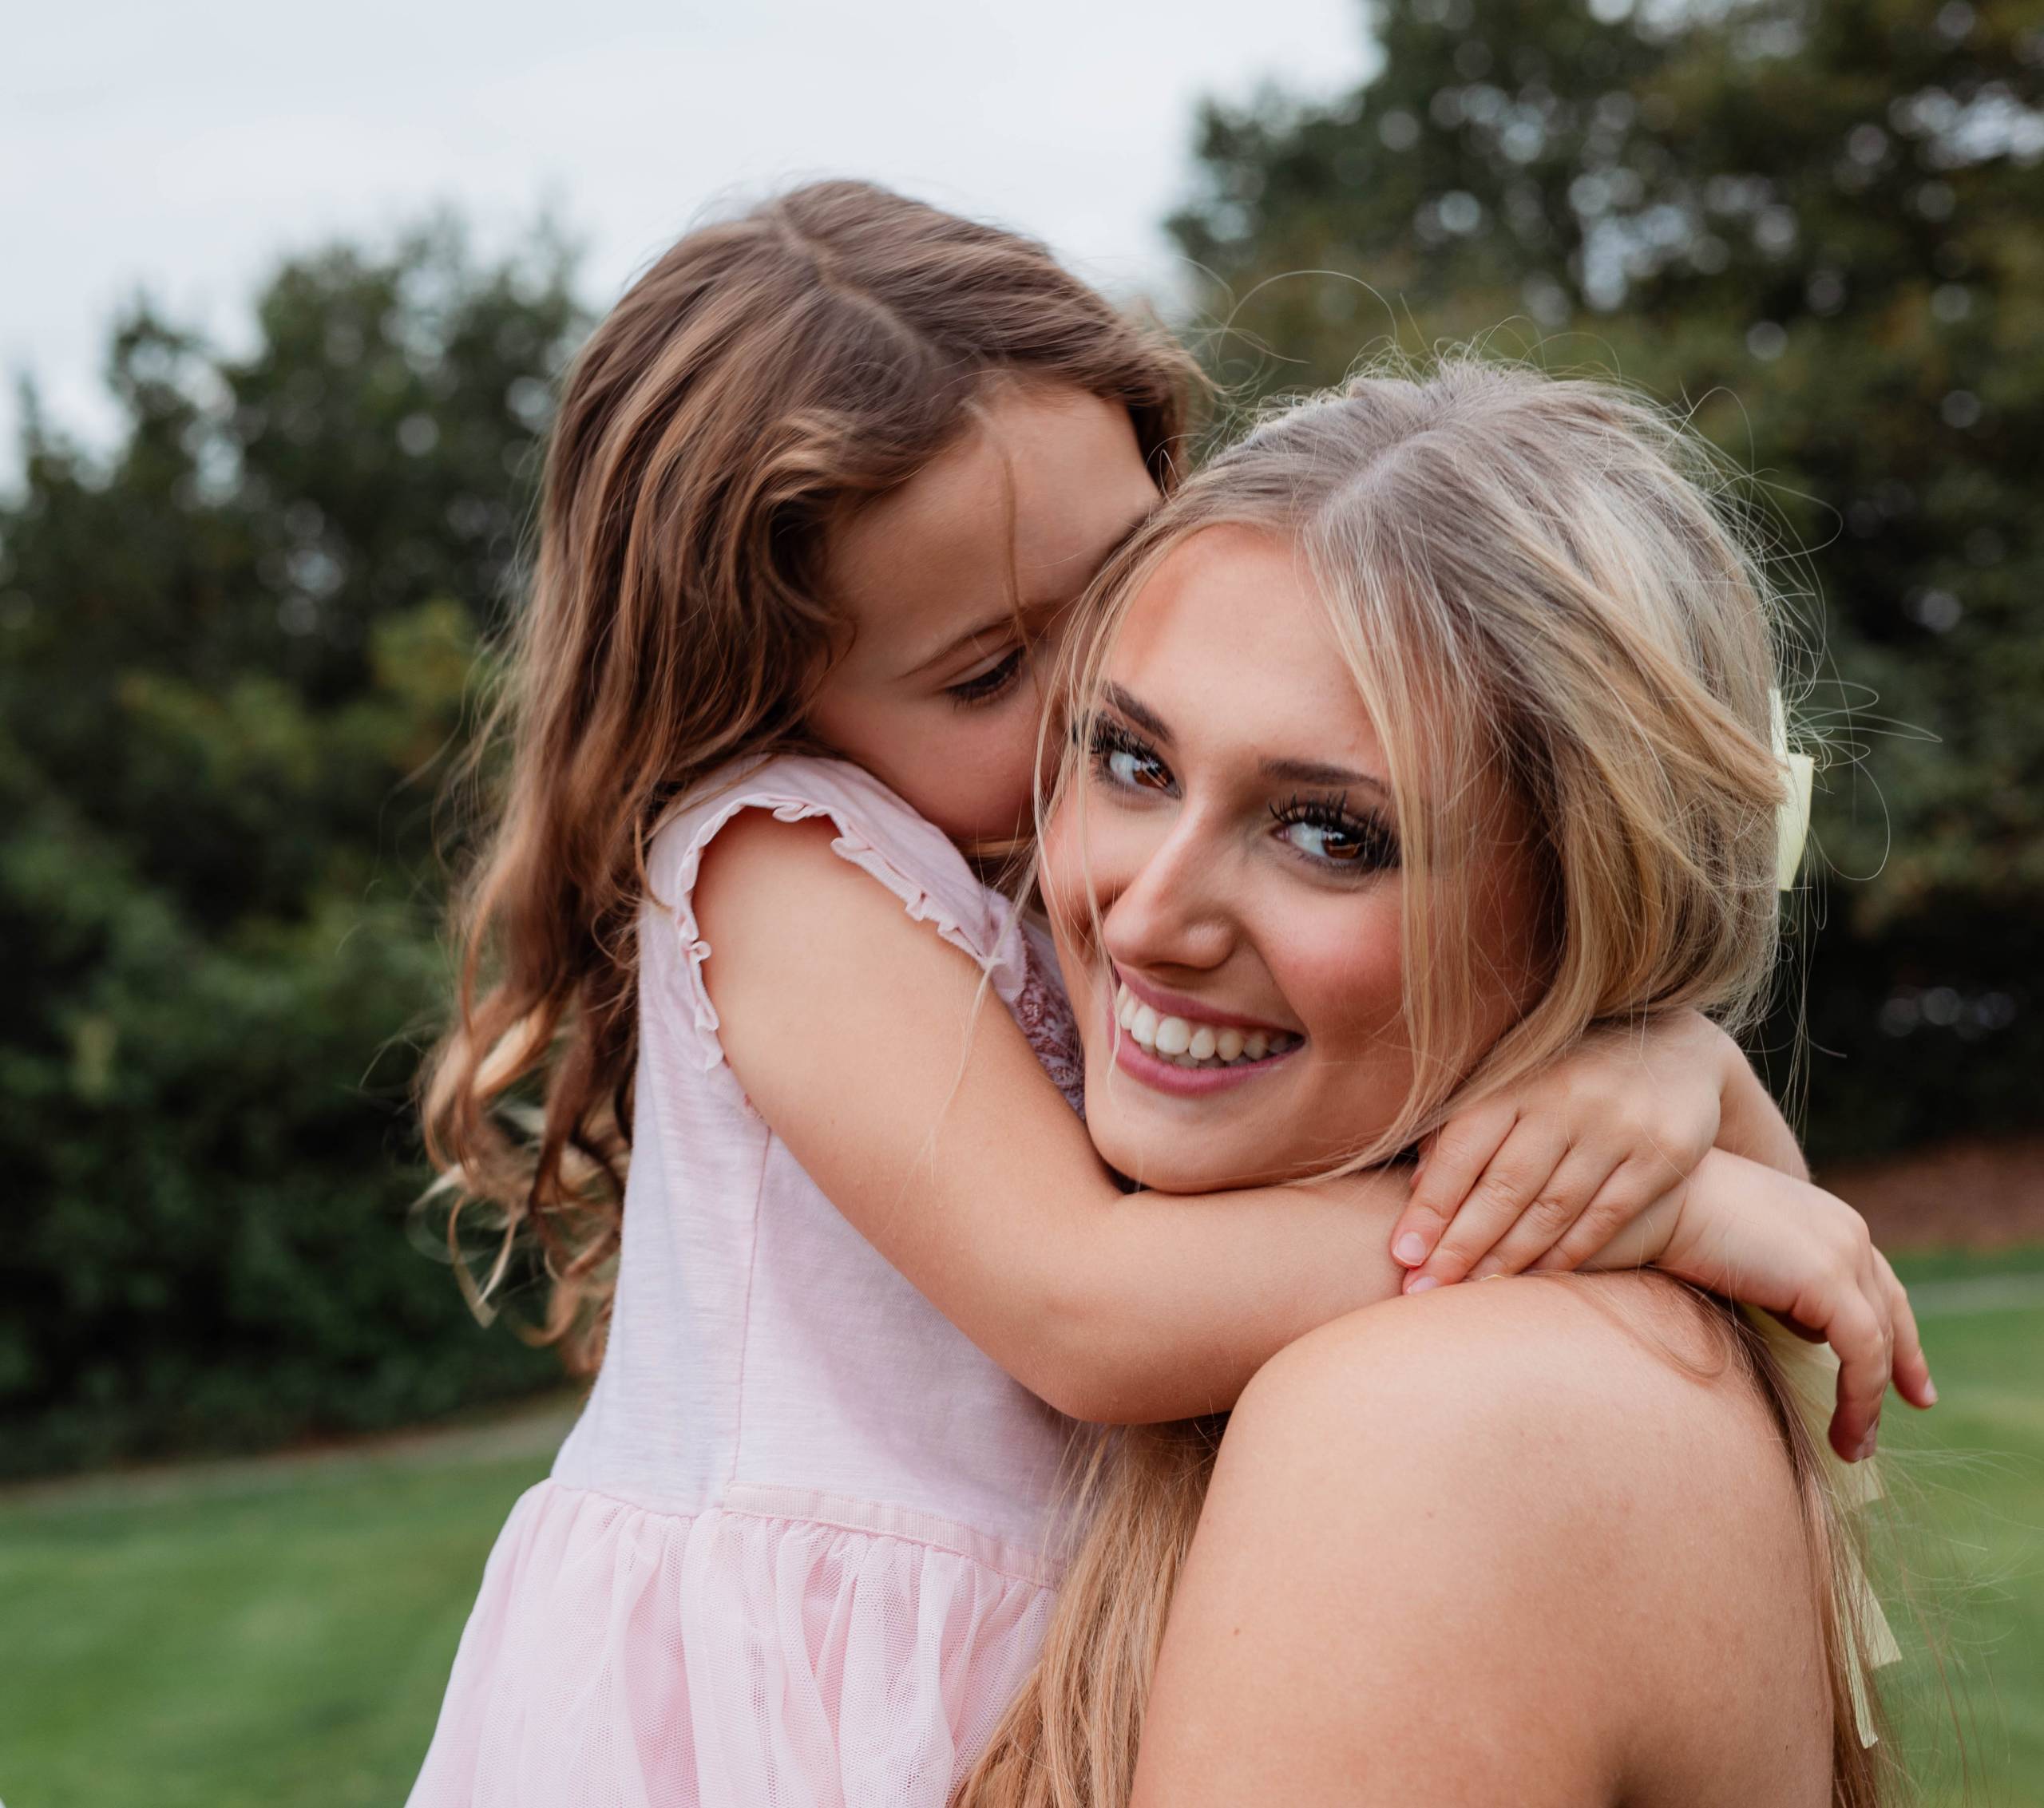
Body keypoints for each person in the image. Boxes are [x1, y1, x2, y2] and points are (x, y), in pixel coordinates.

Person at [410, 185, 1923, 1806]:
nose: (1091, 691)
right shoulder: (781, 867)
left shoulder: (1062, 879)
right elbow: (1084, 1302)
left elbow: (1794, 1265)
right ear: (767, 678)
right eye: (1000, 674)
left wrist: (1662, 1060)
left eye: (1118, 585)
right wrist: (1646, 1212)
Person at [964, 355, 1919, 1806]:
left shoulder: (1438, 1423)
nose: (1144, 916)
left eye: (1331, 834)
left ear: (1590, 917)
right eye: (1131, 759)